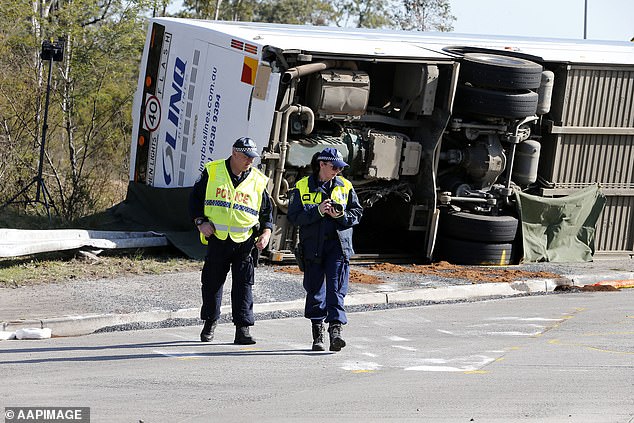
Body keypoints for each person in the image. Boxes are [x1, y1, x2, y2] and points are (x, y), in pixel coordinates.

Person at [189, 137, 273, 345]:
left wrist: (266, 233)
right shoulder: (213, 171)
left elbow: (267, 213)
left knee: (244, 286)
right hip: (217, 238)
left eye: (252, 158)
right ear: (235, 153)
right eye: (246, 157)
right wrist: (200, 222)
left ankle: (242, 330)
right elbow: (194, 200)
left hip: (246, 242)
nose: (250, 161)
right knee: (211, 284)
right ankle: (209, 324)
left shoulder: (258, 180)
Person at [287, 147, 363, 352]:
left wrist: (341, 216)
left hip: (338, 245)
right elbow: (294, 217)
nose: (337, 171)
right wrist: (318, 211)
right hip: (313, 246)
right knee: (314, 289)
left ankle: (336, 331)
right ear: (322, 165)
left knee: (336, 288)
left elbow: (357, 213)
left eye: (340, 167)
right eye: (334, 167)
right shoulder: (302, 186)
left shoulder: (345, 186)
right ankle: (317, 332)